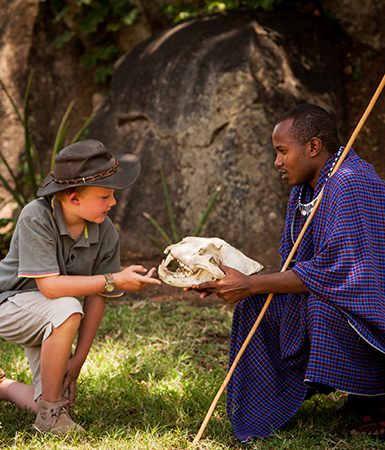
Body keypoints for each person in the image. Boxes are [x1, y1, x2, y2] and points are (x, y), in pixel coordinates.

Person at [193, 104, 385, 441]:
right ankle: (267, 409)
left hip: (371, 315)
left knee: (320, 309)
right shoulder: (305, 188)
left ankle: (377, 396)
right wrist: (232, 281)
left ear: (312, 147)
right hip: (332, 290)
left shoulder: (351, 183)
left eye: (282, 151)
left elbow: (340, 275)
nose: (277, 162)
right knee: (257, 304)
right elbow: (295, 268)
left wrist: (251, 284)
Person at [0, 139, 161, 434]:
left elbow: (99, 296)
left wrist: (77, 361)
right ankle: (49, 418)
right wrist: (115, 278)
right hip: (7, 305)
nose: (112, 203)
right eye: (104, 196)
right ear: (73, 198)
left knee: (56, 394)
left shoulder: (105, 231)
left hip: (48, 314)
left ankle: (8, 388)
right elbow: (49, 287)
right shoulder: (36, 216)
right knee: (67, 306)